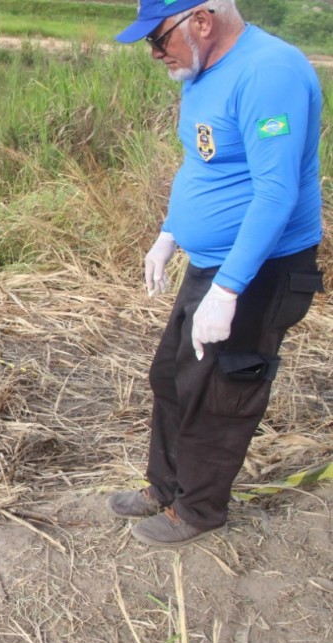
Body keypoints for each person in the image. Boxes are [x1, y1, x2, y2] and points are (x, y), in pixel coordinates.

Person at [109, 0, 324, 546]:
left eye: (160, 39)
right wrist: (169, 232)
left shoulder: (268, 73)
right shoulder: (202, 71)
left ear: (201, 21)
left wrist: (230, 288)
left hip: (261, 271)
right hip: (212, 265)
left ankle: (199, 511)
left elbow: (277, 194)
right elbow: (201, 163)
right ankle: (165, 487)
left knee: (223, 392)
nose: (155, 54)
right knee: (172, 375)